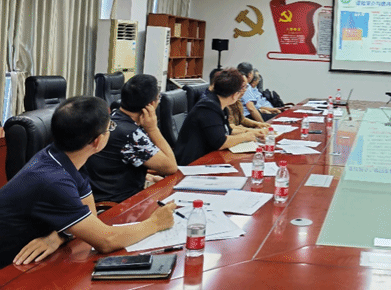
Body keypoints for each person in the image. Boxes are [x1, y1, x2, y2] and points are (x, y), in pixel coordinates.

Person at [0, 96, 175, 267]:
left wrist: (60, 236)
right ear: (98, 141)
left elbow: (90, 213)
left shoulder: (60, 157)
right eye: (110, 127)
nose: (111, 131)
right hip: (9, 269)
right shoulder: (54, 180)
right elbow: (106, 241)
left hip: (27, 262)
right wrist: (155, 223)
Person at [84, 74, 178, 203]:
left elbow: (113, 165)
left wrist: (147, 176)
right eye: (158, 98)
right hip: (120, 203)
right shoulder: (131, 134)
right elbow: (171, 167)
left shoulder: (112, 119)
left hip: (103, 195)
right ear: (151, 105)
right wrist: (152, 129)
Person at [174, 68, 258, 165]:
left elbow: (227, 130)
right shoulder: (208, 108)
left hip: (207, 157)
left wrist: (251, 132)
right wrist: (244, 137)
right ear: (235, 95)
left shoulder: (220, 105)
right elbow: (220, 143)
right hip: (193, 162)